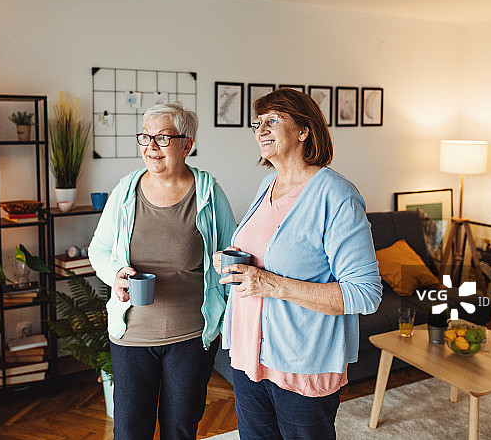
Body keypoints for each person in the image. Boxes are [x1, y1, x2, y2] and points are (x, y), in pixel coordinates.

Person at [214, 88, 382, 439]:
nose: (260, 130)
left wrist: (269, 284)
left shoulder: (336, 195)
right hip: (249, 356)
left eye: (272, 121)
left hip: (301, 360)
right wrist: (230, 260)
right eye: (257, 123)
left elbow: (365, 293)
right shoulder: (268, 184)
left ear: (304, 130)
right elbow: (266, 250)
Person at [89, 103, 237, 440]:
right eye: (145, 137)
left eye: (162, 138)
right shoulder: (125, 191)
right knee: (129, 431)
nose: (151, 146)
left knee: (180, 428)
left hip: (191, 334)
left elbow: (231, 253)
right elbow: (98, 249)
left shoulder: (208, 193)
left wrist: (231, 317)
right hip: (132, 334)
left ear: (187, 144)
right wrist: (116, 274)